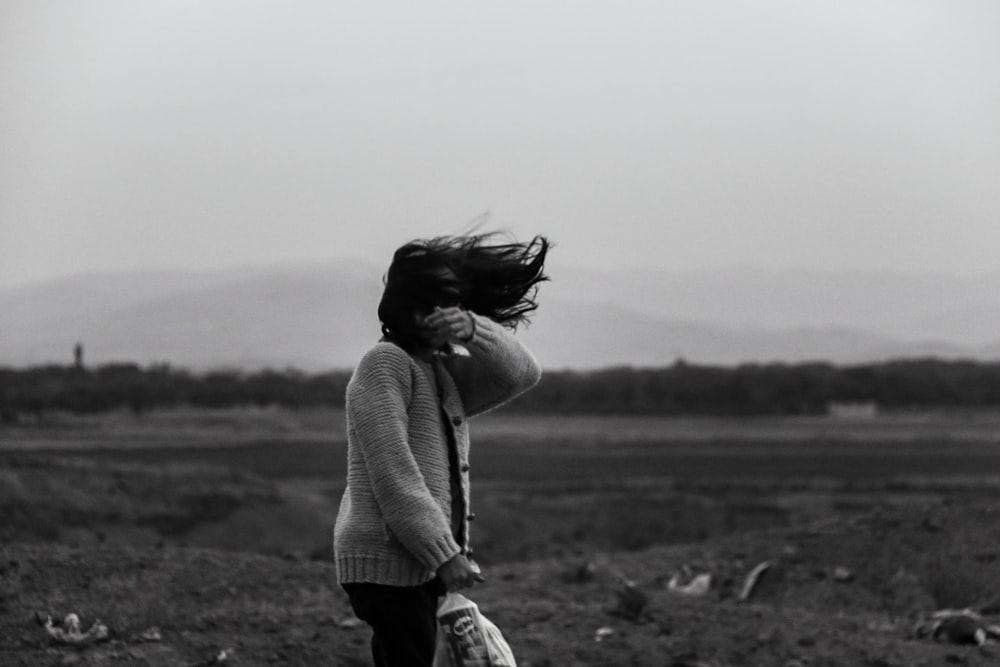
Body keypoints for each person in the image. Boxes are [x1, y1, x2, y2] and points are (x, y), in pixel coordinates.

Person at [334, 232, 550, 667]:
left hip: (418, 561)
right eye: (433, 307)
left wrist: (474, 329)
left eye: (448, 306)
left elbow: (522, 373)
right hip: (389, 564)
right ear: (408, 309)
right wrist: (445, 554)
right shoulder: (385, 365)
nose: (441, 316)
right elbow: (394, 476)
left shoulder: (438, 373)